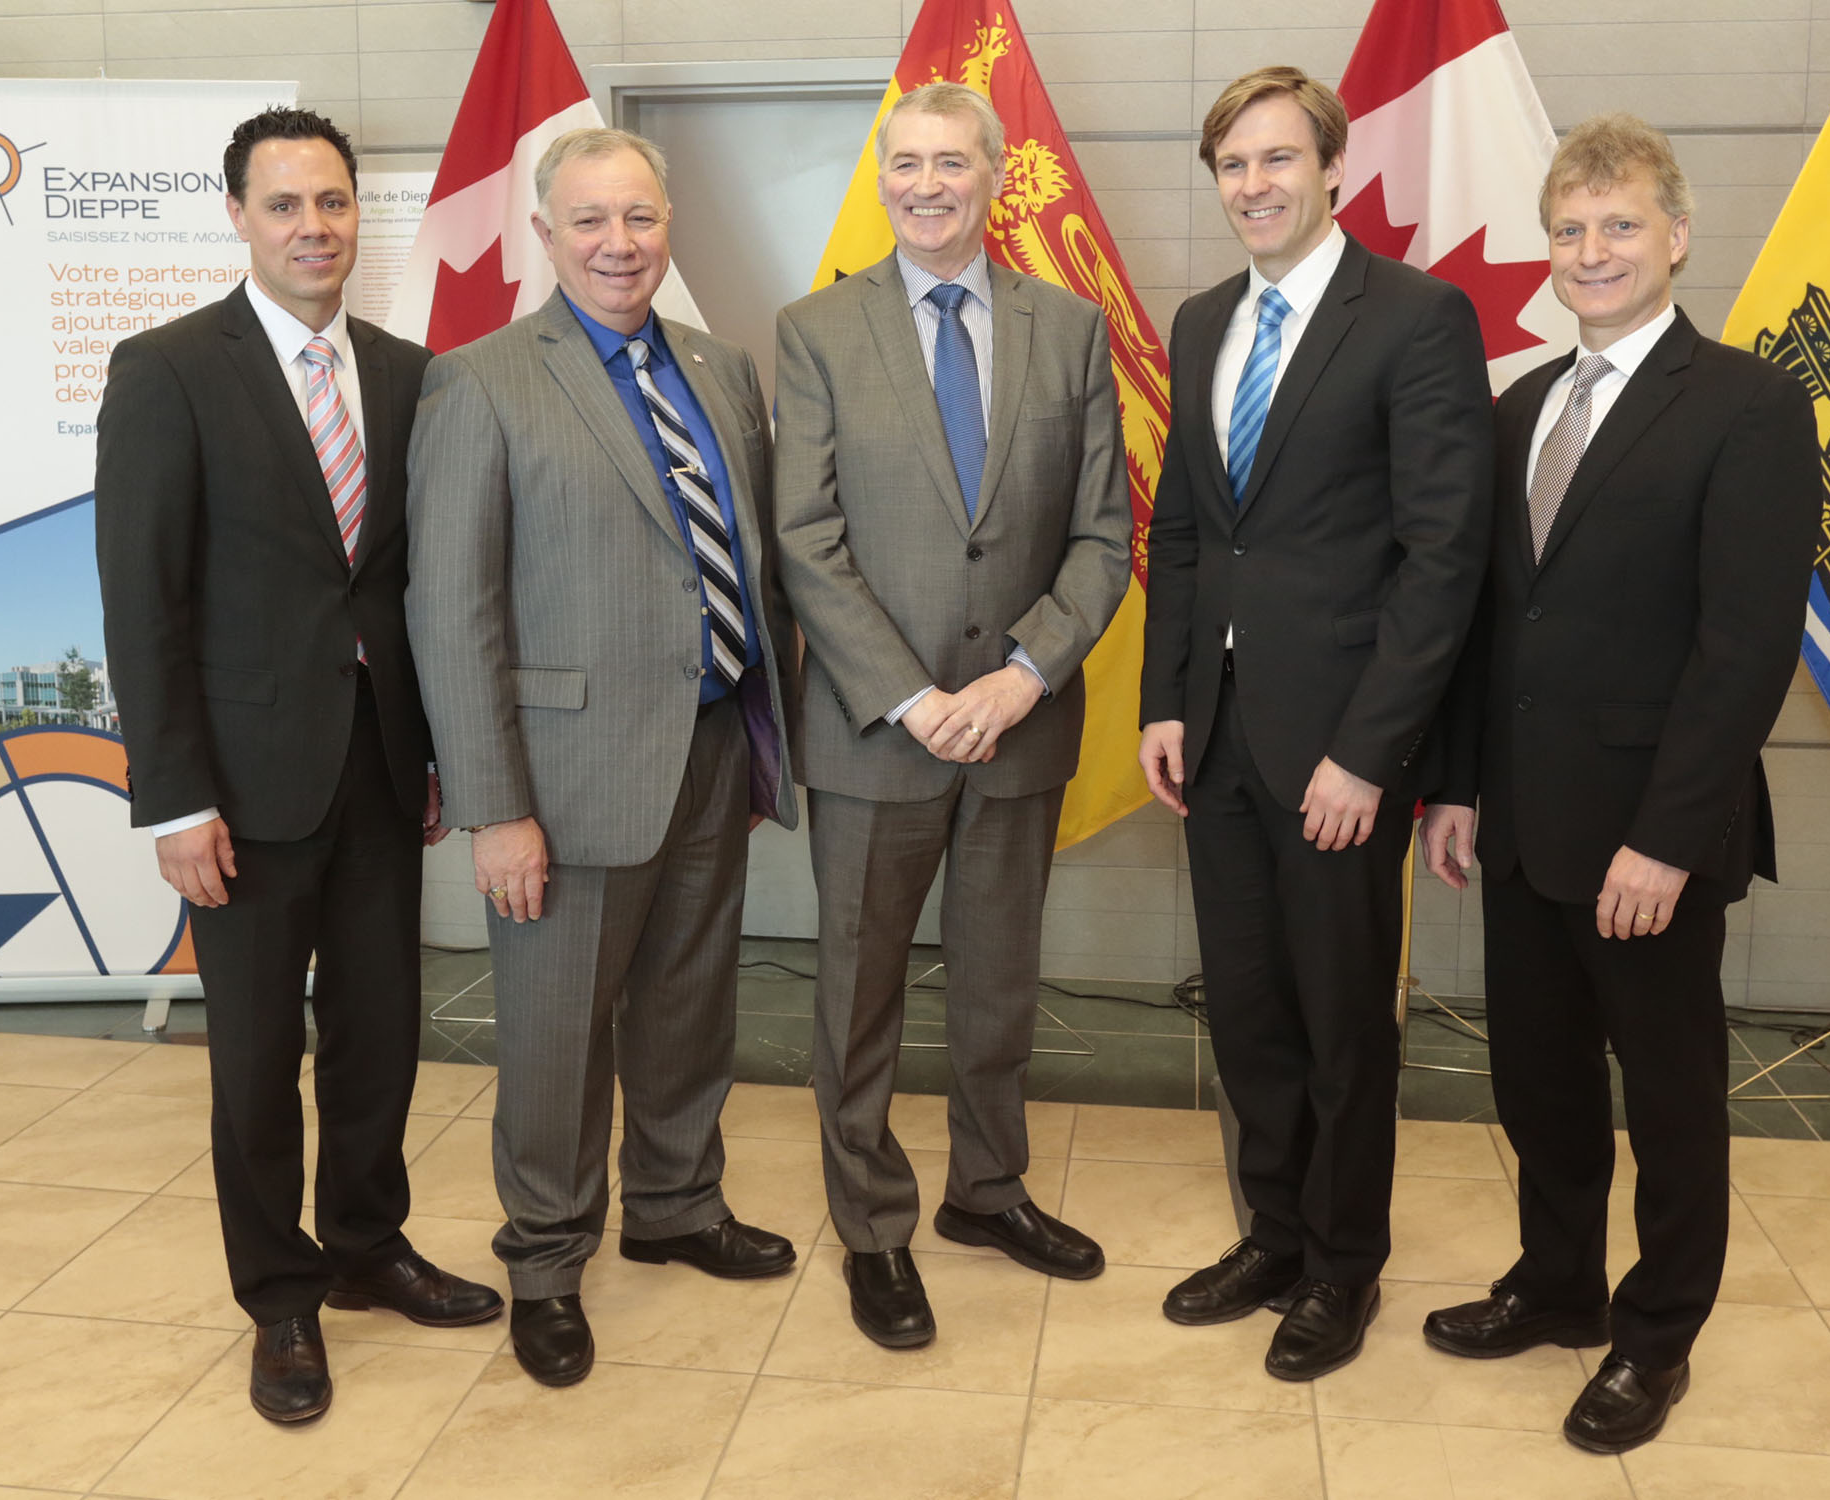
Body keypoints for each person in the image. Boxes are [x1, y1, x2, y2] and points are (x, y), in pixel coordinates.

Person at [1417, 114, 1821, 1454]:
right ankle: (1559, 1285)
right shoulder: (1522, 401)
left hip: (1649, 840)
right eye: (1574, 230)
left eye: (1622, 226)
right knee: (1539, 1084)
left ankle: (1655, 1339)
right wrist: (1461, 786)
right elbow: (1495, 626)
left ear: (1677, 237)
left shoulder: (1751, 406)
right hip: (1525, 825)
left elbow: (1744, 648)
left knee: (1668, 1097)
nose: (1594, 252)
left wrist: (1667, 838)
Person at [96, 107, 501, 1426]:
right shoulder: (167, 369)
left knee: (380, 1039)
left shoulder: (405, 368)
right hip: (243, 790)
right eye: (285, 206)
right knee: (258, 1059)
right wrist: (175, 799)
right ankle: (280, 1297)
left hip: (382, 772)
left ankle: (369, 1245)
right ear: (238, 216)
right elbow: (141, 602)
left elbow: (410, 587)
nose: (314, 227)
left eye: (332, 204)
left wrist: (435, 748)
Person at [405, 127, 799, 1387]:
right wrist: (493, 809)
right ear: (544, 235)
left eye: (637, 218)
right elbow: (451, 608)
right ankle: (546, 1257)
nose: (617, 244)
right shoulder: (482, 381)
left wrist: (754, 731)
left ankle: (677, 1207)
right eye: (588, 222)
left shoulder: (723, 369)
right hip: (563, 784)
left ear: (666, 223)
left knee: (690, 1005)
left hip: (708, 747)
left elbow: (745, 559)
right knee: (558, 1035)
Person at [1137, 66, 1494, 1382]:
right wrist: (1165, 701)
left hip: (1341, 748)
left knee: (1345, 1023)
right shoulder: (1200, 321)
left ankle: (1344, 1266)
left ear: (1332, 168)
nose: (1255, 185)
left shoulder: (1414, 317)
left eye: (1278, 159)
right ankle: (1273, 1235)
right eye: (1232, 164)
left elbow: (1442, 556)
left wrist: (1369, 751)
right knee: (1247, 1011)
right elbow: (1182, 530)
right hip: (1217, 738)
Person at [773, 81, 1130, 1350]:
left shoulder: (1070, 329)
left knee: (996, 987)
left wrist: (1021, 676)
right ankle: (872, 1227)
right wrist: (917, 697)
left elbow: (1102, 537)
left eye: (953, 163)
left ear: (994, 174)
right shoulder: (816, 330)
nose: (929, 184)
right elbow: (805, 540)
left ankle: (988, 1192)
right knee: (859, 993)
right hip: (879, 733)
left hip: (1021, 723)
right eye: (907, 163)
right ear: (884, 177)